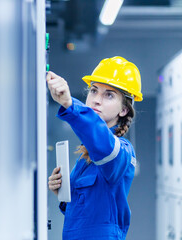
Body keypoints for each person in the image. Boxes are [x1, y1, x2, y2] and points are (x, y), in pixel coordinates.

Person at [46, 56, 143, 240]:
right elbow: (86, 217)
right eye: (93, 91)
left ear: (123, 110)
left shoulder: (121, 152)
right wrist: (64, 192)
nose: (96, 100)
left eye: (109, 95)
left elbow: (101, 139)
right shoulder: (86, 157)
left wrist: (69, 104)